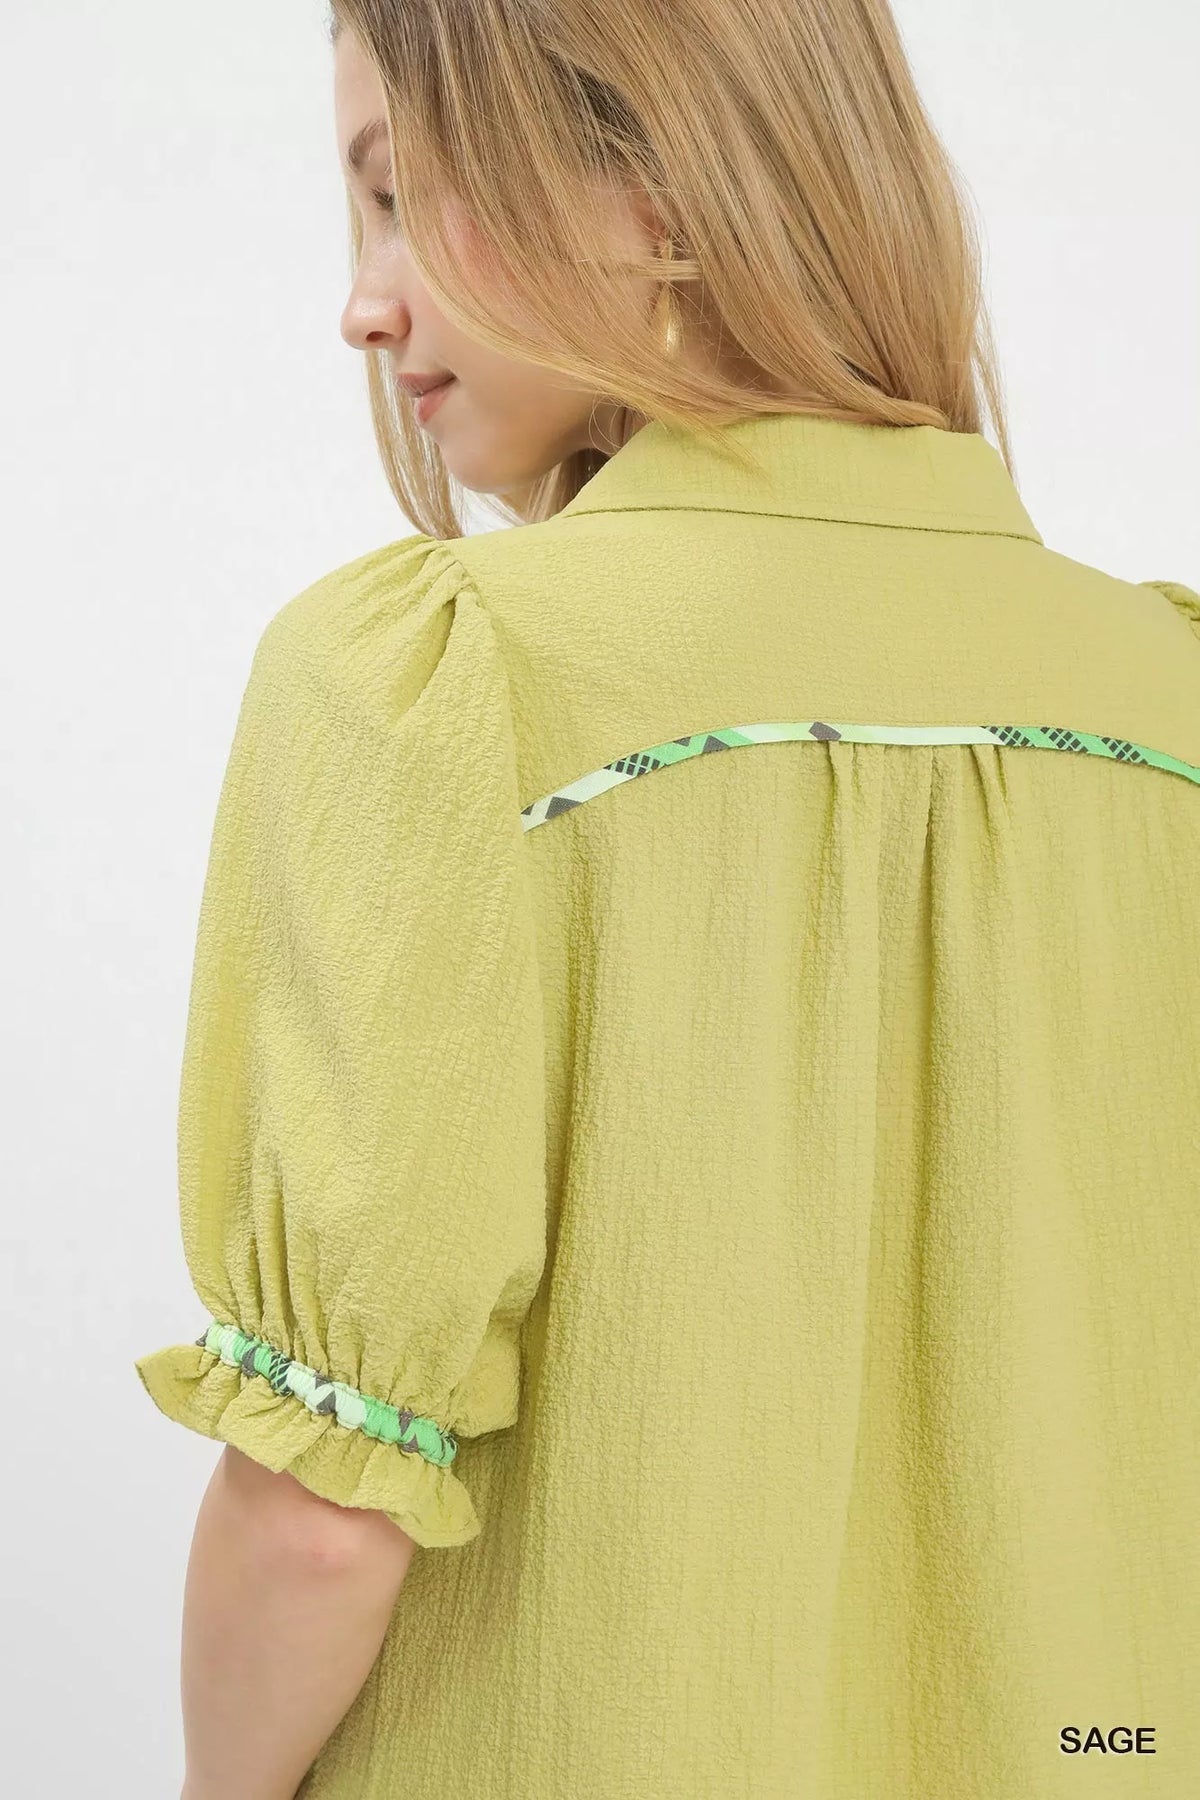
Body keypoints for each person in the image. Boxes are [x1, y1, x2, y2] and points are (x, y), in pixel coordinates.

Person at [134, 2, 1200, 1796]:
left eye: (398, 196)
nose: (363, 305)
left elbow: (320, 1516)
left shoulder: (445, 681)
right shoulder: (1166, 709)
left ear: (653, 185)